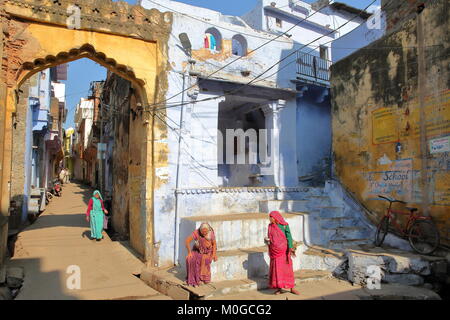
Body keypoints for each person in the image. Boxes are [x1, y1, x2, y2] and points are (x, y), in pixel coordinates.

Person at [266, 211, 300, 295]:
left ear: (276, 217)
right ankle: (279, 288)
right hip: (275, 252)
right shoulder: (270, 226)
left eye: (271, 217)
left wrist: (291, 248)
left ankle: (292, 288)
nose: (270, 219)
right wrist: (268, 241)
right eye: (270, 217)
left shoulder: (285, 225)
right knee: (277, 271)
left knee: (287, 270)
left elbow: (289, 236)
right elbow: (270, 237)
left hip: (284, 252)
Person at [185, 222, 217, 287]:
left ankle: (202, 279)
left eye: (206, 232)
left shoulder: (211, 234)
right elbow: (187, 241)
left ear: (208, 230)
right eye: (203, 232)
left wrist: (214, 254)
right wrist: (189, 252)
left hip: (208, 251)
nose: (204, 233)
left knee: (203, 259)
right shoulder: (196, 232)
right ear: (200, 230)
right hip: (197, 250)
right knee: (189, 259)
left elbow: (214, 244)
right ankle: (192, 279)